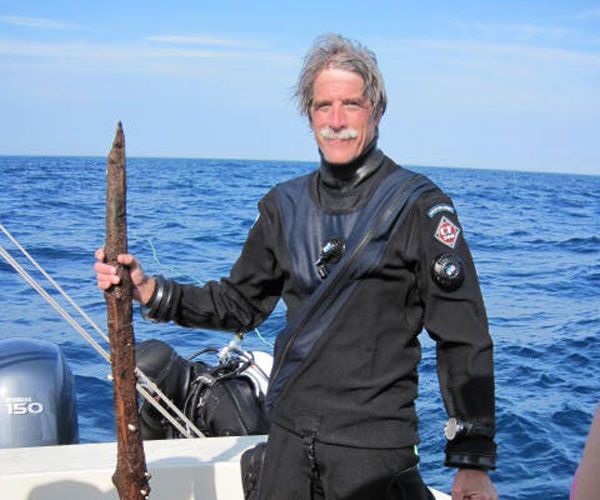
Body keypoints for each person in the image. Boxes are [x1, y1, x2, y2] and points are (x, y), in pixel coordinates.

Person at [95, 34, 497, 500]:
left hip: (371, 450)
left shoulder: (420, 209)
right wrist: (149, 290)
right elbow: (238, 304)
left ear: (377, 110)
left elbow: (463, 338)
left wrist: (472, 460)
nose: (337, 120)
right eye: (323, 105)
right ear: (308, 115)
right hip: (287, 438)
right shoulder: (282, 207)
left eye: (352, 104)